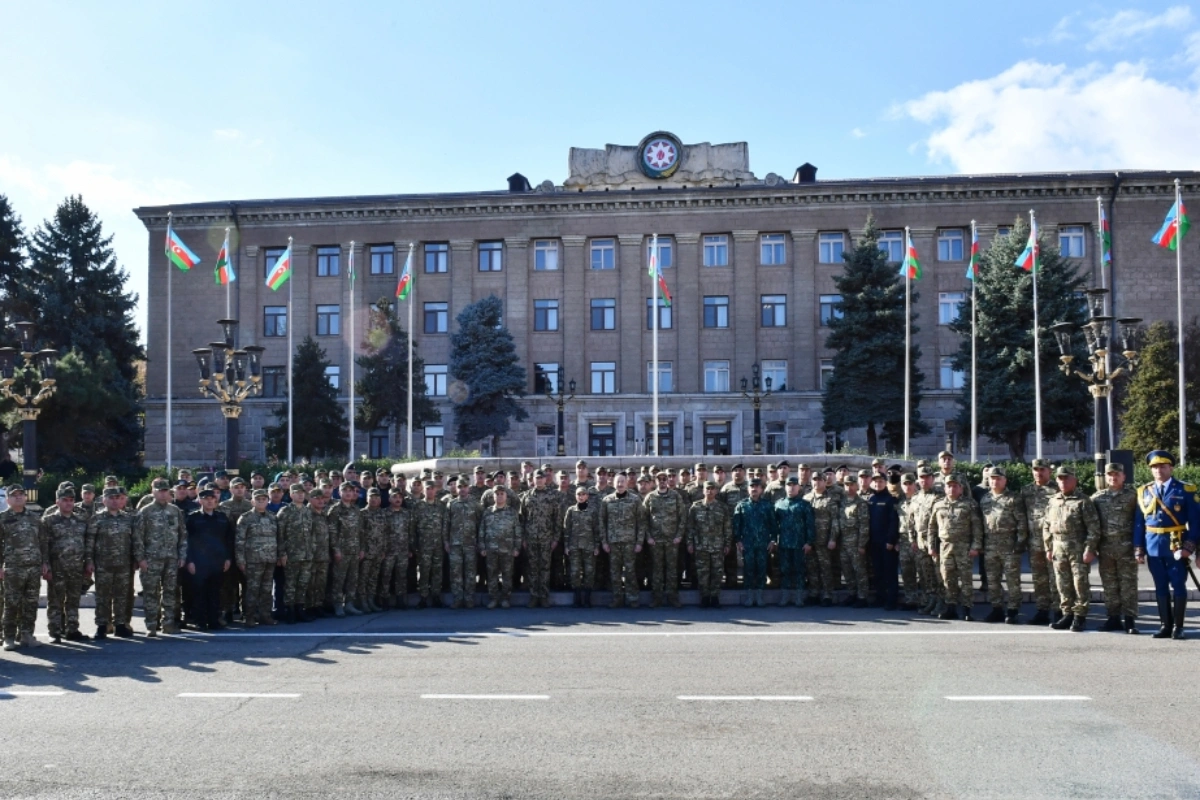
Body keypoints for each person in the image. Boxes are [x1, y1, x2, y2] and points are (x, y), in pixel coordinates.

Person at [1133, 450, 1200, 639]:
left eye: (1163, 466)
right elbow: (1139, 523)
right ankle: (1165, 625)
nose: (1159, 471)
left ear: (1171, 467)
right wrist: (1139, 549)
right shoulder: (1144, 491)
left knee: (1178, 585)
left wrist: (1189, 547)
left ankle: (1178, 627)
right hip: (1153, 545)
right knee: (1160, 586)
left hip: (1176, 545)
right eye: (1155, 467)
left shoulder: (1184, 490)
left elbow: (1196, 522)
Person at [1043, 466, 1102, 632]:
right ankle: (1067, 614)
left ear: (1074, 480)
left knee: (1079, 583)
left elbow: (1093, 528)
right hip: (1058, 546)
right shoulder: (1053, 500)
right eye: (1060, 478)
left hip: (1077, 547)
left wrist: (1090, 549)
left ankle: (1080, 616)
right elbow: (1046, 525)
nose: (1063, 481)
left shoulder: (1083, 501)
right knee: (1062, 583)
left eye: (1066, 478)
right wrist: (1048, 547)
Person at [1088, 463, 1140, 634]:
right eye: (1110, 475)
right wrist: (1092, 547)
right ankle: (1113, 618)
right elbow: (1091, 525)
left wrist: (1139, 547)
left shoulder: (1134, 496)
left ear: (1123, 476)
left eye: (1117, 474)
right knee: (1109, 585)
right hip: (1105, 549)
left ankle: (1130, 620)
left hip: (1126, 548)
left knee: (1128, 585)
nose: (1113, 477)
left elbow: (1140, 521)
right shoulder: (1097, 498)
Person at [134, 478, 187, 636]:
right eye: (160, 491)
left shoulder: (175, 511)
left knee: (170, 592)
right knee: (151, 592)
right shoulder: (145, 511)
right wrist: (140, 558)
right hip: (151, 559)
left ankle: (168, 623)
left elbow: (182, 535)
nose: (163, 494)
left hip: (171, 558)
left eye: (166, 491)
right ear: (153, 491)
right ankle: (151, 624)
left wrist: (182, 555)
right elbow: (138, 537)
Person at [926, 474, 982, 621]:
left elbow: (977, 527)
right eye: (949, 486)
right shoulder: (938, 504)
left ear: (961, 488)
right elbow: (931, 528)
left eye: (955, 486)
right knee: (947, 578)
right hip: (945, 547)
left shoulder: (970, 504)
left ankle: (966, 609)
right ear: (945, 488)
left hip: (964, 547)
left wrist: (975, 546)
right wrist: (931, 546)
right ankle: (950, 607)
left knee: (966, 579)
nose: (952, 488)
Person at [977, 466, 1028, 624]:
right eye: (992, 478)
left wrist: (1020, 543)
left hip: (1009, 544)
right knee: (993, 580)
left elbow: (1021, 522)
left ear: (1005, 480)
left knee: (1012, 580)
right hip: (990, 544)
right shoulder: (985, 499)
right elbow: (980, 524)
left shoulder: (1014, 498)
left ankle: (1013, 610)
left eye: (998, 478)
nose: (995, 481)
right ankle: (996, 608)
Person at [86, 487, 138, 639]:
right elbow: (90, 542)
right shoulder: (97, 519)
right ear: (104, 500)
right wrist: (89, 560)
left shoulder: (128, 518)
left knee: (122, 596)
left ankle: (120, 625)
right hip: (103, 564)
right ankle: (102, 625)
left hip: (124, 563)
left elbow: (134, 541)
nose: (114, 501)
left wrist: (136, 559)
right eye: (111, 498)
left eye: (117, 498)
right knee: (102, 596)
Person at [0, 485, 48, 649]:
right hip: (13, 567)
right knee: (11, 603)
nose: (19, 497)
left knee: (31, 603)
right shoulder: (2, 518)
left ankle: (27, 635)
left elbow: (42, 542)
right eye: (14, 495)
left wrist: (45, 562)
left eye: (21, 494)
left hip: (33, 567)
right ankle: (9, 637)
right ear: (8, 500)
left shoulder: (35, 518)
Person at [42, 488, 88, 642]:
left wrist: (88, 563)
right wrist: (45, 565)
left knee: (74, 600)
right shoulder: (48, 521)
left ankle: (72, 629)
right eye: (64, 500)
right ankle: (54, 631)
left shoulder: (81, 521)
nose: (68, 503)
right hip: (57, 568)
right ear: (57, 502)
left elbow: (86, 544)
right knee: (55, 601)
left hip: (76, 567)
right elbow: (43, 545)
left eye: (71, 500)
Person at [184, 488, 234, 631]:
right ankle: (200, 621)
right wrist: (189, 560)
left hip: (217, 561)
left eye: (212, 498)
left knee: (215, 593)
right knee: (199, 593)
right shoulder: (193, 518)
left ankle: (214, 620)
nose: (210, 501)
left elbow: (228, 540)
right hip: (199, 562)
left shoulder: (222, 518)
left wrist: (228, 558)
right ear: (200, 501)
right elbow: (187, 541)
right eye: (206, 499)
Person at [1020, 458, 1060, 625]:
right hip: (1034, 542)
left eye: (1042, 469)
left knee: (1056, 577)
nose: (1039, 472)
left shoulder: (1057, 490)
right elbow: (1021, 515)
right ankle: (1042, 610)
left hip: (1053, 543)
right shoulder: (1026, 491)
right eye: (1036, 469)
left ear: (1049, 471)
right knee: (1039, 578)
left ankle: (1059, 611)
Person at [235, 489, 280, 627]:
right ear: (252, 501)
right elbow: (239, 541)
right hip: (253, 560)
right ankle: (249, 616)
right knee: (252, 589)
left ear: (267, 501)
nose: (261, 502)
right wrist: (240, 560)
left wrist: (279, 555)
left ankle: (265, 615)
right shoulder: (246, 518)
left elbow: (278, 538)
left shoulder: (273, 517)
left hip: (270, 559)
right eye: (258, 499)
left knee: (267, 589)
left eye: (264, 499)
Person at [643, 471, 687, 608]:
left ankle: (672, 597)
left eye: (664, 479)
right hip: (655, 540)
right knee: (657, 570)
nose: (662, 481)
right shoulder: (650, 497)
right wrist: (648, 536)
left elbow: (683, 517)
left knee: (672, 570)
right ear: (655, 481)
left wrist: (679, 535)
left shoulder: (675, 496)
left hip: (672, 540)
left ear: (667, 480)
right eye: (659, 479)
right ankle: (657, 598)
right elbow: (643, 519)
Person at [601, 474, 645, 608]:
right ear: (613, 484)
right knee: (615, 572)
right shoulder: (607, 500)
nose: (620, 484)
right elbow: (602, 522)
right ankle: (617, 598)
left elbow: (641, 522)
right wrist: (604, 542)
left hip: (629, 542)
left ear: (626, 484)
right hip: (613, 543)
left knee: (631, 571)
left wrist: (639, 542)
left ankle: (632, 598)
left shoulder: (635, 500)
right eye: (617, 482)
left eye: (622, 482)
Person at [733, 479, 778, 607]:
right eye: (752, 486)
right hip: (747, 544)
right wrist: (738, 541)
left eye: (757, 486)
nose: (754, 489)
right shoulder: (741, 505)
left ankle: (759, 596)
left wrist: (773, 540)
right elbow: (737, 525)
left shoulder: (768, 505)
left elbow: (773, 525)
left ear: (761, 489)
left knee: (761, 569)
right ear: (748, 489)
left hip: (763, 543)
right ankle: (749, 596)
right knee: (748, 569)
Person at [686, 482, 732, 608]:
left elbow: (727, 528)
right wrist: (689, 543)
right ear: (703, 491)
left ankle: (715, 597)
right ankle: (705, 597)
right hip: (701, 546)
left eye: (712, 489)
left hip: (718, 546)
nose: (710, 491)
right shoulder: (695, 507)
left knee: (717, 573)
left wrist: (727, 544)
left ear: (716, 491)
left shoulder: (722, 508)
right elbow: (690, 527)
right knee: (703, 573)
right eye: (708, 489)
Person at [277, 483, 315, 623]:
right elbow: (279, 534)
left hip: (306, 554)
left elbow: (311, 533)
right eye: (297, 492)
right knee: (290, 584)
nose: (300, 495)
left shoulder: (307, 511)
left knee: (303, 583)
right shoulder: (285, 511)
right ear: (291, 495)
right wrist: (282, 553)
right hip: (291, 554)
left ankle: (300, 609)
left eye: (302, 493)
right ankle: (290, 611)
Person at [774, 476, 814, 607]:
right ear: (785, 487)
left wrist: (809, 542)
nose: (791, 487)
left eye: (794, 485)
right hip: (784, 544)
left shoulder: (804, 505)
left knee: (799, 570)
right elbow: (774, 525)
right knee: (784, 570)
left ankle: (798, 597)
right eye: (788, 485)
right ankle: (785, 596)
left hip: (799, 544)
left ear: (799, 487)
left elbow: (810, 525)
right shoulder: (779, 504)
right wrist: (774, 540)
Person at [479, 486, 522, 609]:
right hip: (491, 549)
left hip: (507, 549)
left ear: (506, 496)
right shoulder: (487, 512)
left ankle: (505, 599)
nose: (499, 496)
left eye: (502, 493)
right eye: (497, 494)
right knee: (491, 575)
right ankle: (493, 599)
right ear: (493, 497)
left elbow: (517, 531)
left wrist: (516, 548)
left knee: (507, 575)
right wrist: (482, 546)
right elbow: (482, 530)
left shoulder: (512, 512)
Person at [327, 482, 364, 616]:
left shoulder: (356, 510)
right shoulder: (335, 510)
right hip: (341, 551)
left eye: (351, 490)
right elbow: (332, 532)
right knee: (338, 579)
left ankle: (349, 604)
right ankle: (337, 605)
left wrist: (362, 549)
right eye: (345, 490)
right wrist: (335, 550)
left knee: (352, 579)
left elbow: (361, 531)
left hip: (354, 550)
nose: (348, 493)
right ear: (339, 493)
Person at [865, 473, 900, 610]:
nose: (878, 484)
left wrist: (891, 540)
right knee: (878, 571)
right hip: (874, 542)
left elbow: (893, 521)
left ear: (885, 482)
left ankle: (892, 600)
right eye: (875, 481)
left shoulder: (891, 500)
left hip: (887, 542)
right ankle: (880, 598)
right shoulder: (871, 499)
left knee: (890, 572)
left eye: (880, 481)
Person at [445, 479, 482, 609]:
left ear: (469, 488)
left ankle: (469, 599)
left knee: (470, 572)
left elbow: (480, 525)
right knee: (456, 572)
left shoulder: (476, 504)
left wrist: (480, 542)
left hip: (471, 544)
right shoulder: (451, 504)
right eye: (459, 486)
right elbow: (447, 524)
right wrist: (446, 541)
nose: (462, 489)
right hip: (455, 544)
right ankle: (458, 599)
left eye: (464, 486)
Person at [564, 485, 600, 607]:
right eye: (579, 494)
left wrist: (596, 546)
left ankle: (587, 599)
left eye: (583, 494)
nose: (581, 496)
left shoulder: (593, 511)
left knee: (589, 572)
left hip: (589, 546)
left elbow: (596, 529)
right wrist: (566, 545)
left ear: (587, 496)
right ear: (576, 496)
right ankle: (577, 598)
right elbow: (567, 529)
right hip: (574, 546)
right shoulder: (571, 510)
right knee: (575, 572)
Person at [837, 475, 870, 608]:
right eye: (847, 485)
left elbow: (864, 525)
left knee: (859, 571)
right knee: (847, 570)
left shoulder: (861, 503)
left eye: (852, 485)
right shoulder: (842, 502)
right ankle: (852, 594)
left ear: (856, 486)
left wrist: (862, 544)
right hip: (843, 543)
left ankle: (862, 596)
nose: (849, 487)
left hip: (856, 543)